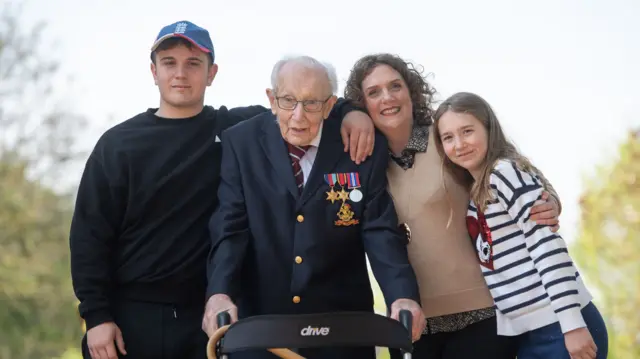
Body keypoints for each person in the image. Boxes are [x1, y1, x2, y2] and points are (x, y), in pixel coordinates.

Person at [69, 21, 375, 359]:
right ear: (154, 72)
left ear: (212, 73)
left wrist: (352, 112)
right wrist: (96, 315)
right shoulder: (118, 145)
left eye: (193, 63)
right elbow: (88, 235)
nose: (180, 73)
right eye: (169, 62)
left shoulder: (237, 130)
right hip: (132, 316)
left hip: (210, 316)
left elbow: (302, 104)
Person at [202, 55, 425, 359]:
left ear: (330, 105)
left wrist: (402, 296)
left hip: (341, 332)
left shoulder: (360, 146)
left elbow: (379, 230)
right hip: (261, 330)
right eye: (288, 100)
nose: (298, 116)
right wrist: (219, 293)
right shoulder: (242, 143)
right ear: (271, 98)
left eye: (311, 104)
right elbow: (230, 227)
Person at [344, 53, 563, 359]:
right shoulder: (363, 161)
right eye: (373, 92)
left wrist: (549, 198)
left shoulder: (445, 138)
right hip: (410, 322)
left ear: (411, 91)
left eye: (395, 86)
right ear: (362, 104)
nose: (387, 97)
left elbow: (509, 164)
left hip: (481, 315)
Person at [432, 91, 609, 359]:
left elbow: (546, 247)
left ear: (489, 130)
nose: (459, 144)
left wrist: (572, 324)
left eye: (467, 131)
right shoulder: (478, 194)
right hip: (532, 333)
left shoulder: (504, 173)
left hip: (562, 326)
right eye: (448, 137)